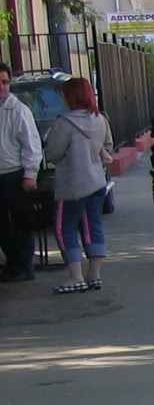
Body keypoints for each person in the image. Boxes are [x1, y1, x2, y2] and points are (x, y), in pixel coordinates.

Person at [43, 77, 114, 295]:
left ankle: (75, 276)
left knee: (64, 229)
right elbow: (108, 146)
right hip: (96, 182)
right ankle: (94, 275)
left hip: (72, 185)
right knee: (92, 227)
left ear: (69, 96)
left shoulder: (64, 123)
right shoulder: (100, 119)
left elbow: (53, 153)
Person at [0, 62, 44, 282]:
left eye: (5, 82)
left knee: (22, 222)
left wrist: (30, 174)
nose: (2, 87)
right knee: (3, 227)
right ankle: (13, 263)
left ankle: (25, 267)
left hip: (15, 175)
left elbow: (32, 145)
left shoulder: (18, 111)